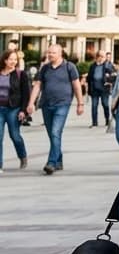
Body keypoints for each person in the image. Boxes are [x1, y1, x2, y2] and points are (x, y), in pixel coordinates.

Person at [27, 43, 84, 175]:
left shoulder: (70, 67)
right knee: (53, 135)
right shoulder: (45, 68)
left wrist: (80, 103)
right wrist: (31, 103)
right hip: (46, 104)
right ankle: (59, 160)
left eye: (52, 53)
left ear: (60, 53)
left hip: (63, 104)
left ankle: (51, 163)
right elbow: (37, 86)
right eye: (49, 53)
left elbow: (76, 85)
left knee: (55, 132)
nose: (50, 55)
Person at [1, 48, 31, 171]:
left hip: (14, 109)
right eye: (10, 59)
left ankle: (22, 156)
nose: (13, 62)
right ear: (4, 60)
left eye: (15, 59)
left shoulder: (20, 74)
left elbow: (26, 94)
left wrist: (23, 110)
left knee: (15, 136)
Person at [86, 50, 116, 128]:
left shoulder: (108, 66)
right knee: (94, 105)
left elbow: (114, 75)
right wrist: (89, 85)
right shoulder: (93, 66)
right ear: (97, 57)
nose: (103, 58)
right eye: (101, 56)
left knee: (105, 104)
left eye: (104, 56)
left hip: (104, 89)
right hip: (94, 89)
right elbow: (89, 77)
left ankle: (107, 120)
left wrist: (109, 80)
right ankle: (94, 123)